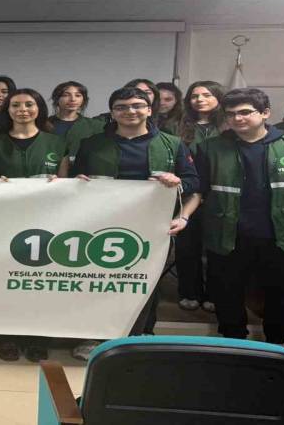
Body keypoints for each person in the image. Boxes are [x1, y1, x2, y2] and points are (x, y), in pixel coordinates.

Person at [195, 88, 284, 372]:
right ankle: (233, 344)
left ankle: (279, 345)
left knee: (283, 292)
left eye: (245, 112)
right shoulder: (211, 147)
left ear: (265, 113)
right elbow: (197, 189)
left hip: (282, 234)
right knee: (226, 291)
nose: (237, 118)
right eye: (231, 114)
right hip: (228, 234)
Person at [67, 87, 200, 361]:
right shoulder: (92, 144)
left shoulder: (172, 144)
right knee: (98, 282)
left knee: (144, 284)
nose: (130, 111)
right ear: (112, 112)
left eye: (137, 106)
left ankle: (140, 336)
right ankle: (93, 336)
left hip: (152, 228)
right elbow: (75, 180)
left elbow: (193, 182)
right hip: (99, 226)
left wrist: (177, 181)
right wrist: (78, 182)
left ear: (149, 110)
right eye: (122, 107)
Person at [0, 88, 66, 362]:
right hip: (3, 221)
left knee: (38, 283)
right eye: (16, 105)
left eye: (29, 104)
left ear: (39, 108)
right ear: (7, 110)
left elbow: (66, 183)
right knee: (3, 281)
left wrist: (63, 184)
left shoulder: (56, 142)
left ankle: (37, 338)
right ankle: (4, 336)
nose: (22, 110)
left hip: (46, 222)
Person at [176, 80, 226, 313]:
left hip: (221, 194)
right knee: (187, 247)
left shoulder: (229, 125)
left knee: (218, 248)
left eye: (206, 95)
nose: (200, 100)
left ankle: (215, 294)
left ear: (218, 98)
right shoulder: (177, 126)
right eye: (195, 96)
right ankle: (189, 292)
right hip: (187, 193)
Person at [47, 81, 107, 163]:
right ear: (56, 99)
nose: (73, 99)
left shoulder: (97, 126)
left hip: (83, 170)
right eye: (66, 95)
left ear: (83, 100)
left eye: (78, 95)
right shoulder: (42, 124)